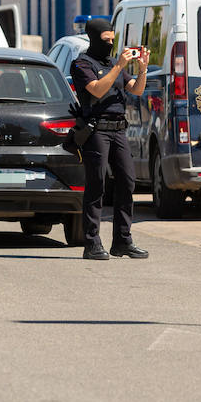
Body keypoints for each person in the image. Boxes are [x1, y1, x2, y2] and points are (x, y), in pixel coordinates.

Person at [70, 18, 150, 261]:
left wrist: (142, 69)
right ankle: (92, 243)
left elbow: (135, 89)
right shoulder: (82, 63)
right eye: (106, 40)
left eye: (113, 40)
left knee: (127, 182)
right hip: (97, 130)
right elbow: (96, 89)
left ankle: (122, 241)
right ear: (94, 39)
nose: (111, 44)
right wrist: (118, 67)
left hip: (118, 130)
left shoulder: (115, 62)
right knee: (97, 186)